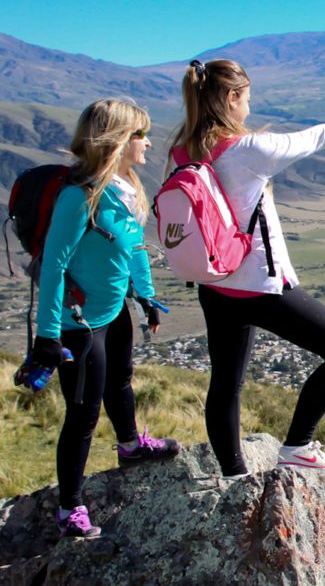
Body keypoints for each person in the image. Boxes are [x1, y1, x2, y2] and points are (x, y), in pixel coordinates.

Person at [170, 59, 325, 479]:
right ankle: (297, 446)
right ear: (232, 98)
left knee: (226, 383)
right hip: (258, 286)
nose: (249, 110)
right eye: (247, 100)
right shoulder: (252, 150)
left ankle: (234, 473)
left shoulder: (183, 149)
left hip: (214, 283)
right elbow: (320, 136)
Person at [33, 99, 179, 539]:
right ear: (117, 141)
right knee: (82, 414)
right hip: (77, 325)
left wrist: (147, 298)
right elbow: (54, 266)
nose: (148, 142)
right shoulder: (78, 198)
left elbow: (134, 247)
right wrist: (46, 336)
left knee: (120, 380)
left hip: (114, 311)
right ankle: (69, 508)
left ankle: (131, 446)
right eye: (140, 135)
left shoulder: (126, 188)